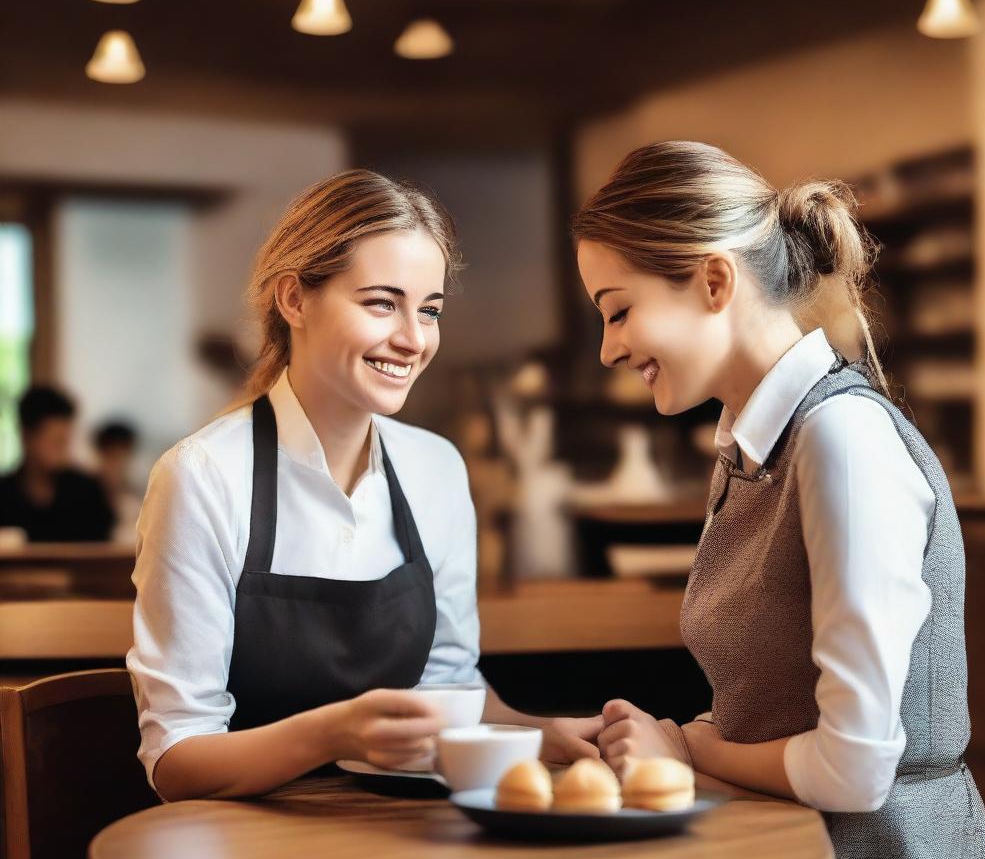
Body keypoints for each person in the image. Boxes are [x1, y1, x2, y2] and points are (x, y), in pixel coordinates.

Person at [572, 142, 985, 859]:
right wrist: (673, 741)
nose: (608, 349)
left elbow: (854, 769)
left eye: (618, 310)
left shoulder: (840, 439)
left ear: (714, 281)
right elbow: (777, 715)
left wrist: (688, 754)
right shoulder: (750, 445)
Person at [128, 170, 602, 803]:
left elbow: (445, 686)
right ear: (293, 300)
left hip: (401, 826)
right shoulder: (203, 476)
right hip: (238, 839)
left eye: (429, 310)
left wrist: (542, 734)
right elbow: (176, 762)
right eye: (382, 302)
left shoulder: (436, 469)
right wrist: (332, 734)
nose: (412, 339)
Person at [0, 385, 114, 542]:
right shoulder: (5, 494)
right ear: (27, 437)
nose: (63, 451)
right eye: (56, 442)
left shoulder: (87, 492)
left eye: (66, 441)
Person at [93, 420, 143, 543]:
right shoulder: (88, 492)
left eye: (123, 457)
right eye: (113, 456)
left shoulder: (134, 494)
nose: (118, 464)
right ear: (101, 454)